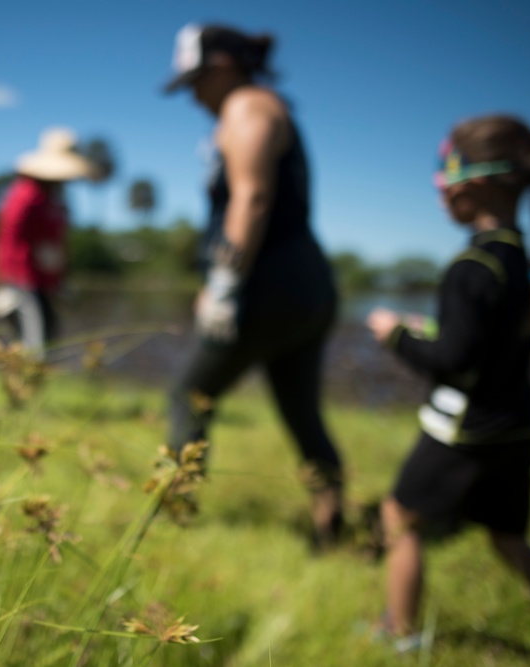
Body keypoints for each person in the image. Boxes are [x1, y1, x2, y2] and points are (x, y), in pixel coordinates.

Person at [366, 115, 530, 655]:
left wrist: (394, 335)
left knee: (398, 515)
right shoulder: (518, 260)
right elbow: (486, 346)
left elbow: (453, 361)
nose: (438, 190)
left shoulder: (470, 264)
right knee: (510, 542)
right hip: (517, 427)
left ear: (474, 182)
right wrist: (432, 331)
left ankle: (399, 634)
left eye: (443, 176)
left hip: (466, 431)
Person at [162, 24, 344, 546]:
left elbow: (252, 197)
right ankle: (330, 527)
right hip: (308, 286)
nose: (193, 95)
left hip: (266, 287)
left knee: (188, 396)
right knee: (301, 411)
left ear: (220, 66)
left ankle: (176, 513)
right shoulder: (267, 106)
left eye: (195, 81)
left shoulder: (246, 107)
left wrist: (224, 281)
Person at [0, 128, 96, 359]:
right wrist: (4, 280)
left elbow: (58, 243)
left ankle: (34, 382)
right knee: (37, 342)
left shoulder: (55, 199)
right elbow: (7, 237)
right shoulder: (25, 194)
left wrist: (59, 280)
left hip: (44, 281)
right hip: (23, 278)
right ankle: (28, 385)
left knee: (49, 332)